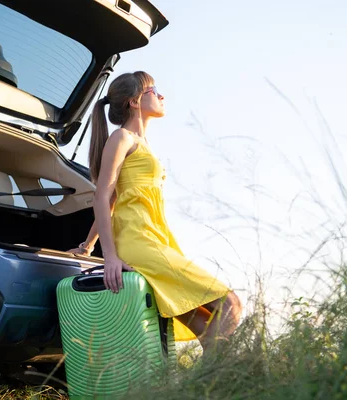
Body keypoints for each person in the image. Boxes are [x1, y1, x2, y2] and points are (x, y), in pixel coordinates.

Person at [68, 71, 242, 353]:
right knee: (229, 303)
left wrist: (87, 246)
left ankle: (209, 387)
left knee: (206, 328)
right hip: (140, 243)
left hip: (156, 238)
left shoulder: (143, 144)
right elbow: (102, 195)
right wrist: (108, 256)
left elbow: (112, 199)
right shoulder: (121, 138)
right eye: (154, 91)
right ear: (135, 101)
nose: (162, 96)